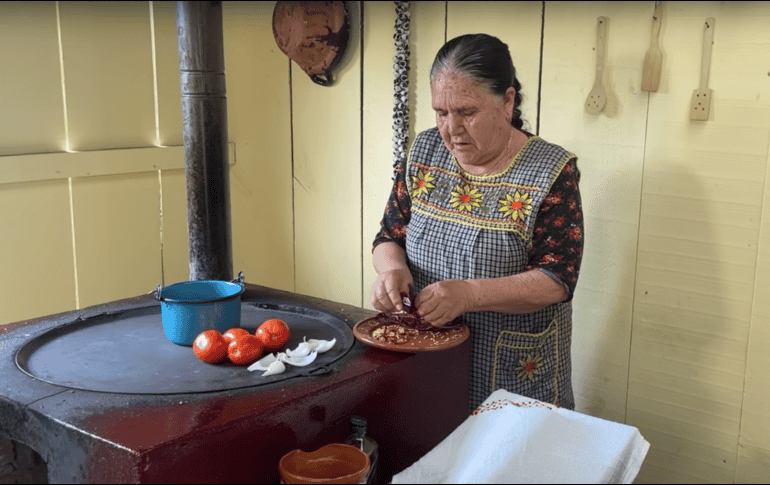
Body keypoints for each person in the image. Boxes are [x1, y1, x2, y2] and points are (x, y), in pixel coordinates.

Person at [371, 33, 584, 412]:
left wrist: (469, 294)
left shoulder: (550, 172)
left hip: (513, 374)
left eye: (467, 112)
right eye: (441, 112)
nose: (451, 129)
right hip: (430, 365)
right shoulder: (424, 152)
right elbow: (390, 234)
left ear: (507, 101)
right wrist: (391, 271)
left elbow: (557, 279)